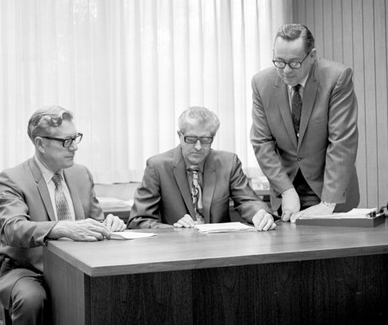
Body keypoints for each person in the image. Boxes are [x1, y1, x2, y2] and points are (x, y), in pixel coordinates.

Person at [0, 105, 126, 325]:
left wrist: (107, 225)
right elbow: (12, 228)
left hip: (76, 267)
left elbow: (93, 221)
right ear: (40, 143)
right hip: (28, 270)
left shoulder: (81, 174)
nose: (75, 146)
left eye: (75, 137)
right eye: (66, 141)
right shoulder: (11, 178)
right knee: (31, 300)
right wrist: (59, 227)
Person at [250, 23, 359, 223]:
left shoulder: (337, 78)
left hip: (329, 190)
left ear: (312, 55)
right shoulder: (261, 83)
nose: (286, 71)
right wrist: (286, 190)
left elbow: (341, 142)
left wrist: (327, 204)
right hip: (288, 191)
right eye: (279, 62)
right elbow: (261, 142)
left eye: (294, 63)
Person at [127, 106, 276, 231]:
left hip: (219, 248)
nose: (198, 147)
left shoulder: (228, 162)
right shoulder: (157, 167)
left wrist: (260, 213)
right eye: (191, 139)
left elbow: (247, 201)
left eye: (205, 140)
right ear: (180, 135)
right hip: (176, 249)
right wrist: (173, 229)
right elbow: (138, 220)